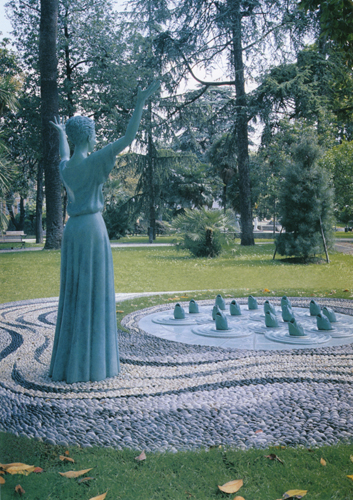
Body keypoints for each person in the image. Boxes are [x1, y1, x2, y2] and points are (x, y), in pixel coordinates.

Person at [49, 81, 159, 383]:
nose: (97, 136)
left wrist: (61, 134)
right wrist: (139, 104)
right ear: (88, 135)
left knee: (75, 294)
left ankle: (71, 363)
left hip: (74, 231)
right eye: (94, 132)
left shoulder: (67, 168)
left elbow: (63, 156)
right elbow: (128, 137)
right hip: (93, 230)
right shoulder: (96, 161)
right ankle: (95, 365)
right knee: (93, 294)